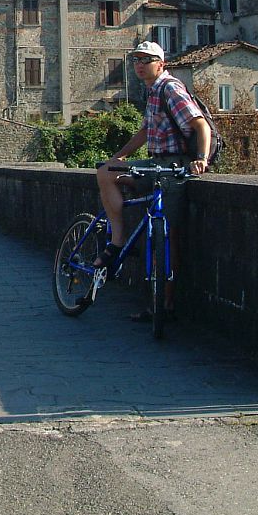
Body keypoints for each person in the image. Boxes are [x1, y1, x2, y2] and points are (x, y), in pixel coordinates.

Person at [94, 40, 211, 320]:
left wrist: (202, 159)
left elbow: (200, 124)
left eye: (146, 60)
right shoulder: (153, 91)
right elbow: (145, 133)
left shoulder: (169, 88)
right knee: (105, 172)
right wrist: (118, 158)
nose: (139, 65)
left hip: (172, 166)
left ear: (161, 63)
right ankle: (119, 239)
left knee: (166, 235)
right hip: (154, 164)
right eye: (136, 60)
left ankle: (164, 304)